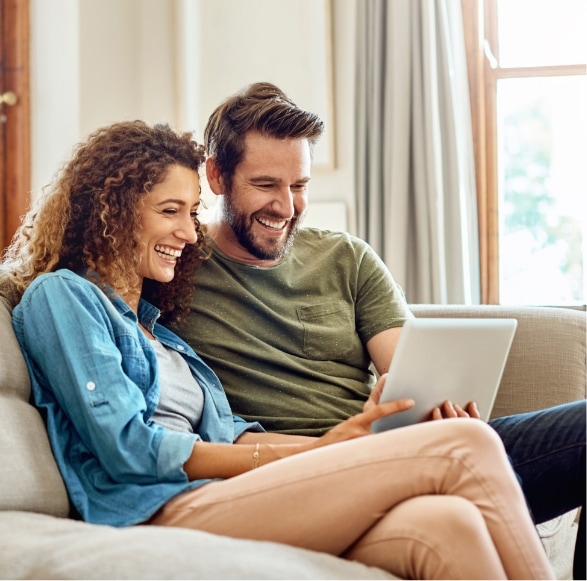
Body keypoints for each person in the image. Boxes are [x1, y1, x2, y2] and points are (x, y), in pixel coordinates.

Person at [0, 121, 554, 580]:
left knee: (448, 525)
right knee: (463, 442)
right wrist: (302, 456)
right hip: (150, 509)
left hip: (217, 493)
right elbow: (130, 449)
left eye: (191, 214)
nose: (189, 234)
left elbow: (231, 434)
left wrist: (340, 442)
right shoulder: (64, 297)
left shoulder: (160, 330)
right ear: (113, 209)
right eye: (170, 211)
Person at [170, 82, 587, 579]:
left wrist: (442, 403)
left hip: (406, 447)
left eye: (299, 186)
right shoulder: (173, 270)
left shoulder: (344, 257)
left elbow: (410, 369)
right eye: (265, 185)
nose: (286, 206)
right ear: (217, 176)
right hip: (303, 471)